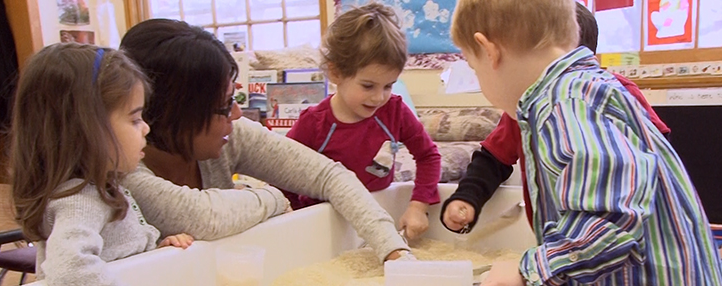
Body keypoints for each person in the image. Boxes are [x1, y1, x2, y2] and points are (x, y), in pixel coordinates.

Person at [449, 0, 722, 286]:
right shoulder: (592, 89)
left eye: (471, 66)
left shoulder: (566, 104)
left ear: (490, 51)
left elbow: (608, 217)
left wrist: (529, 270)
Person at [119, 19, 411, 262]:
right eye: (224, 105)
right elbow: (202, 216)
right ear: (175, 114)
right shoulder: (122, 168)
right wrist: (273, 198)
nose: (236, 113)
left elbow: (329, 175)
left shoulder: (231, 133)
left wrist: (393, 249)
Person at [442, 1, 671, 233]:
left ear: (491, 52)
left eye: (474, 67)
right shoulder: (525, 107)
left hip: (612, 246)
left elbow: (608, 224)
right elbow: (493, 159)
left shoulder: (574, 102)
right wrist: (467, 197)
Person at [10, 43, 193, 286]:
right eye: (134, 119)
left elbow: (113, 254)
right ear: (85, 129)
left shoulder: (101, 187)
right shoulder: (80, 198)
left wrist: (154, 250)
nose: (145, 128)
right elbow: (69, 269)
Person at [284, 3, 441, 241]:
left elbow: (429, 156)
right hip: (327, 222)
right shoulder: (313, 124)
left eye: (388, 85)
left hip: (380, 208)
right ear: (335, 73)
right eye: (368, 86)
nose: (379, 97)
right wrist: (299, 217)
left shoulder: (394, 110)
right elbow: (283, 174)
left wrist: (418, 206)